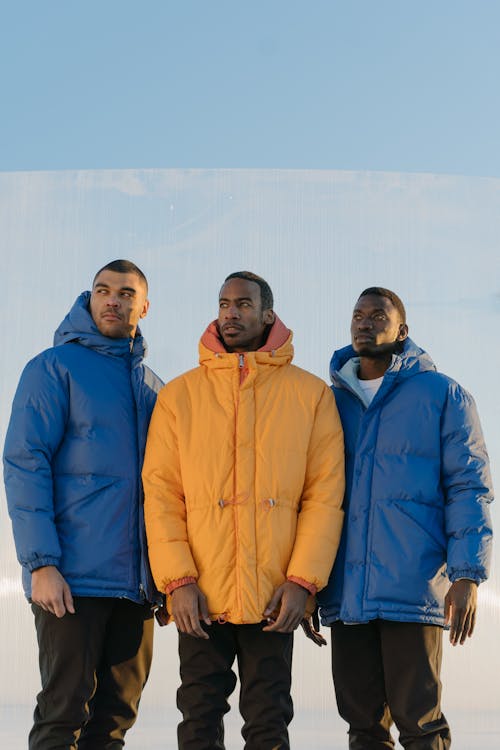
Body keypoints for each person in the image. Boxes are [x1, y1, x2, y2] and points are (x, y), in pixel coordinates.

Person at [142, 271, 345, 750]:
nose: (231, 313)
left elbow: (324, 496)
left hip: (275, 598)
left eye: (243, 304)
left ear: (268, 314)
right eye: (223, 304)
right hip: (199, 598)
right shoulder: (179, 396)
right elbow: (162, 495)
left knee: (268, 722)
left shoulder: (311, 395)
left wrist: (302, 583)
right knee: (198, 721)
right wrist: (178, 583)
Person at [317, 286, 494, 750]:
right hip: (347, 594)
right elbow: (312, 495)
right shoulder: (329, 401)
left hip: (413, 589)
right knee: (363, 727)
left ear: (403, 330)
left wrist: (468, 574)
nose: (365, 322)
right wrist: (307, 581)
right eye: (358, 314)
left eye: (379, 315)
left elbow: (468, 487)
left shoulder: (444, 395)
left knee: (421, 723)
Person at [3, 259, 163, 749]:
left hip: (136, 587)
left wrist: (165, 578)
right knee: (63, 712)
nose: (113, 300)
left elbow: (167, 489)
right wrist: (42, 564)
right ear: (90, 298)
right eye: (103, 290)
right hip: (70, 580)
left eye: (126, 293)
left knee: (115, 719)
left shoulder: (153, 387)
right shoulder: (53, 368)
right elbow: (24, 464)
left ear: (144, 305)